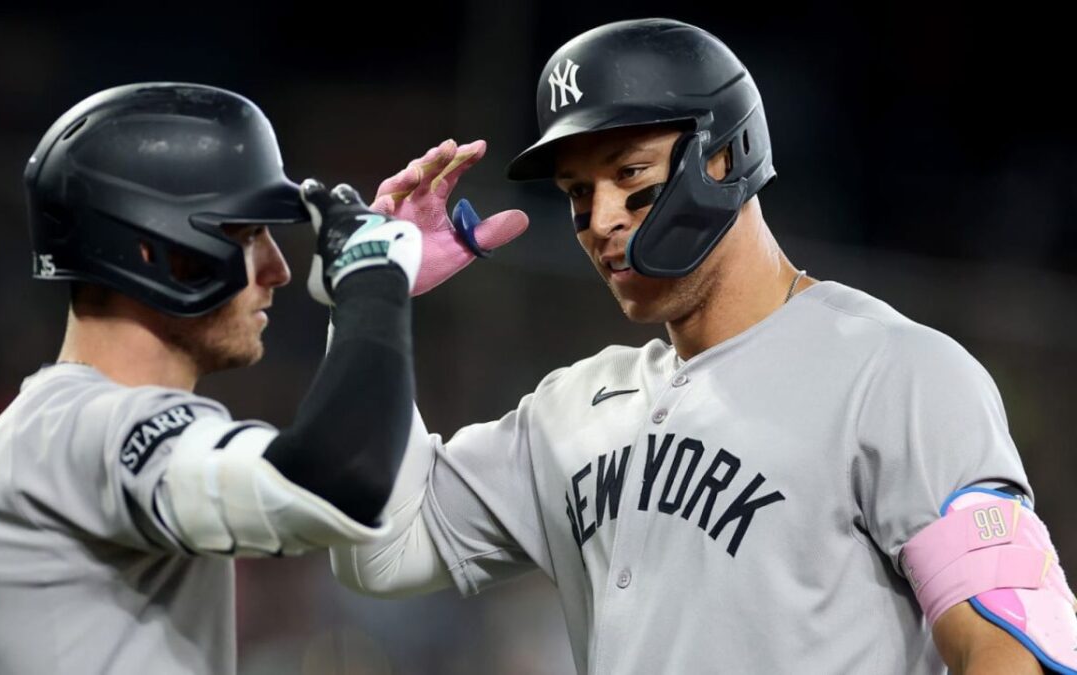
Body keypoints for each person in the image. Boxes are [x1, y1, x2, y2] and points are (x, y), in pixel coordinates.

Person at [331, 19, 1077, 674]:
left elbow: (1012, 645)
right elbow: (379, 549)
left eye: (630, 175)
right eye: (577, 194)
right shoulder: (571, 411)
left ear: (725, 157)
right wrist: (369, 298)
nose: (600, 219)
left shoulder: (896, 372)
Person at [0, 82, 428, 675]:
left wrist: (372, 300)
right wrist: (371, 282)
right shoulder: (93, 426)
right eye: (246, 233)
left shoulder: (30, 440)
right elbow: (337, 481)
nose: (278, 269)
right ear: (157, 247)